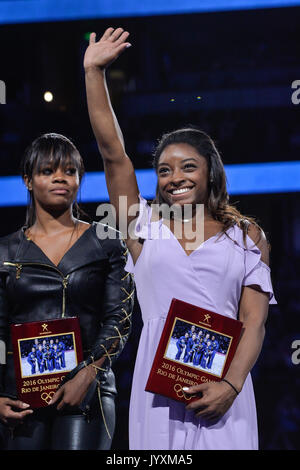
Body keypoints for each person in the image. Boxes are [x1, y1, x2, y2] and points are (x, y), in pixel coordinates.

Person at [83, 27, 276, 450]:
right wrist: (93, 73)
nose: (175, 178)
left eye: (187, 166)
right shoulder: (142, 226)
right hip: (157, 396)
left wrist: (231, 384)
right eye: (165, 170)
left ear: (209, 173)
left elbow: (254, 322)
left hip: (226, 393)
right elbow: (113, 152)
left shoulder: (246, 236)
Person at [0, 133, 134, 450]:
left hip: (87, 392)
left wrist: (88, 374)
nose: (61, 178)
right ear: (28, 180)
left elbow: (120, 317)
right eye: (48, 171)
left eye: (70, 171)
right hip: (20, 400)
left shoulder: (108, 242)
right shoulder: (5, 250)